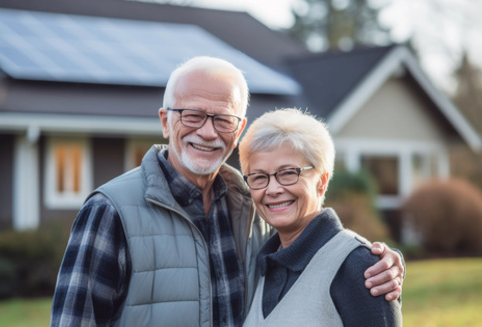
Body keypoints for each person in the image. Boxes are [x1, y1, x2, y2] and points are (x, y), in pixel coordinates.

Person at [50, 57, 403, 327]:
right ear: (164, 120)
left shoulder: (253, 206)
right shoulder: (111, 211)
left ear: (239, 129)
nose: (207, 132)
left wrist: (375, 262)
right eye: (192, 115)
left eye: (222, 119)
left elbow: (314, 256)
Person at [238, 108, 402, 326]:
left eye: (288, 173)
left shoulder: (361, 268)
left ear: (322, 181)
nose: (273, 189)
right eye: (259, 177)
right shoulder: (260, 267)